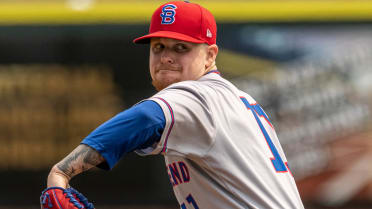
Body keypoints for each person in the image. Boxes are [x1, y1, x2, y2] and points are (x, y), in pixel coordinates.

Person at [45, 1, 305, 208]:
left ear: (210, 55)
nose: (166, 57)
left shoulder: (198, 95)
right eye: (158, 47)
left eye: (181, 48)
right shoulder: (236, 99)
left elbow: (146, 118)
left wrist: (60, 173)